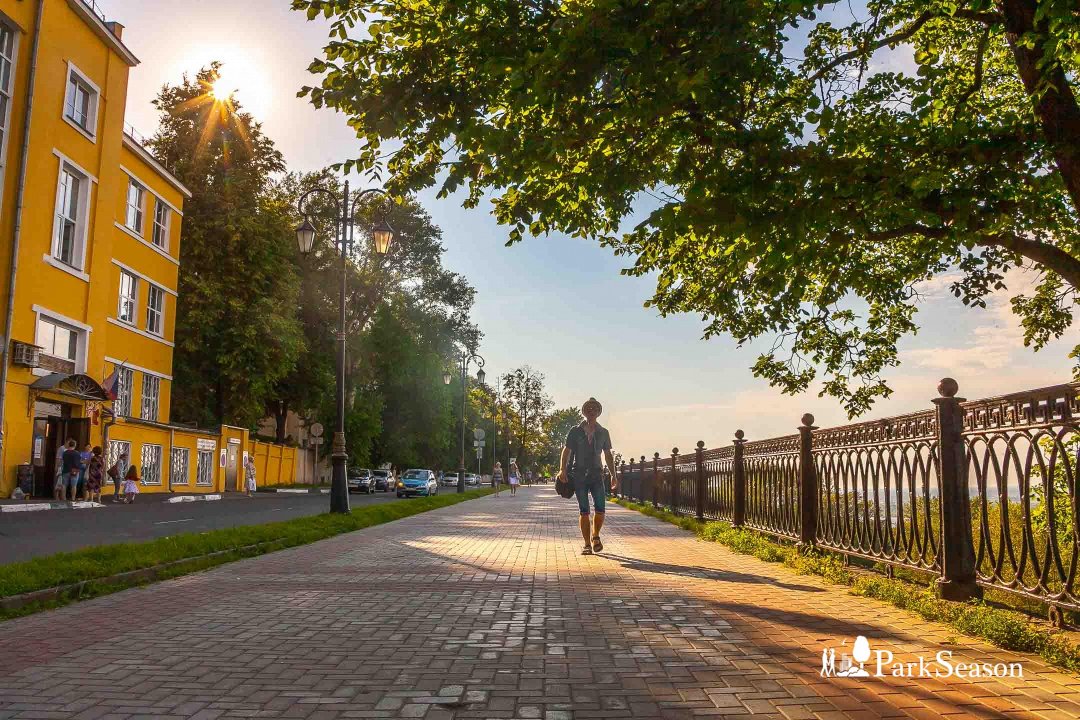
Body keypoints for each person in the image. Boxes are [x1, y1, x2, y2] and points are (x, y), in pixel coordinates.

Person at [557, 397, 617, 555]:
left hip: (597, 474)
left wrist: (613, 474)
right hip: (579, 475)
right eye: (588, 409)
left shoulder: (603, 432)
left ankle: (596, 536)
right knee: (584, 511)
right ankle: (586, 544)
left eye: (594, 409)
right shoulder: (575, 431)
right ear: (584, 411)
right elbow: (566, 451)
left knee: (600, 509)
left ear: (598, 412)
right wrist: (562, 469)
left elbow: (608, 455)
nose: (591, 411)